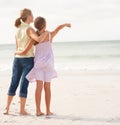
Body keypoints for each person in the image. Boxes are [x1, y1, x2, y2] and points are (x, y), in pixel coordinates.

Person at [15, 16, 71, 116]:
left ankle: (38, 111)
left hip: (39, 65)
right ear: (44, 25)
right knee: (47, 88)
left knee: (39, 87)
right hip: (48, 64)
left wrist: (18, 51)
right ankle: (48, 110)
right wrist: (65, 25)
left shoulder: (35, 37)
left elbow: (26, 48)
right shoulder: (49, 35)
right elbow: (58, 28)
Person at [3, 9, 48, 115]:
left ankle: (7, 109)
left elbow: (17, 46)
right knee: (24, 84)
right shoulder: (29, 29)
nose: (33, 16)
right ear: (28, 16)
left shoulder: (18, 28)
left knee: (14, 82)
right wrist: (46, 33)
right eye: (32, 15)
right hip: (27, 60)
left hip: (17, 58)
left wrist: (20, 51)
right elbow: (38, 39)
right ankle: (22, 110)